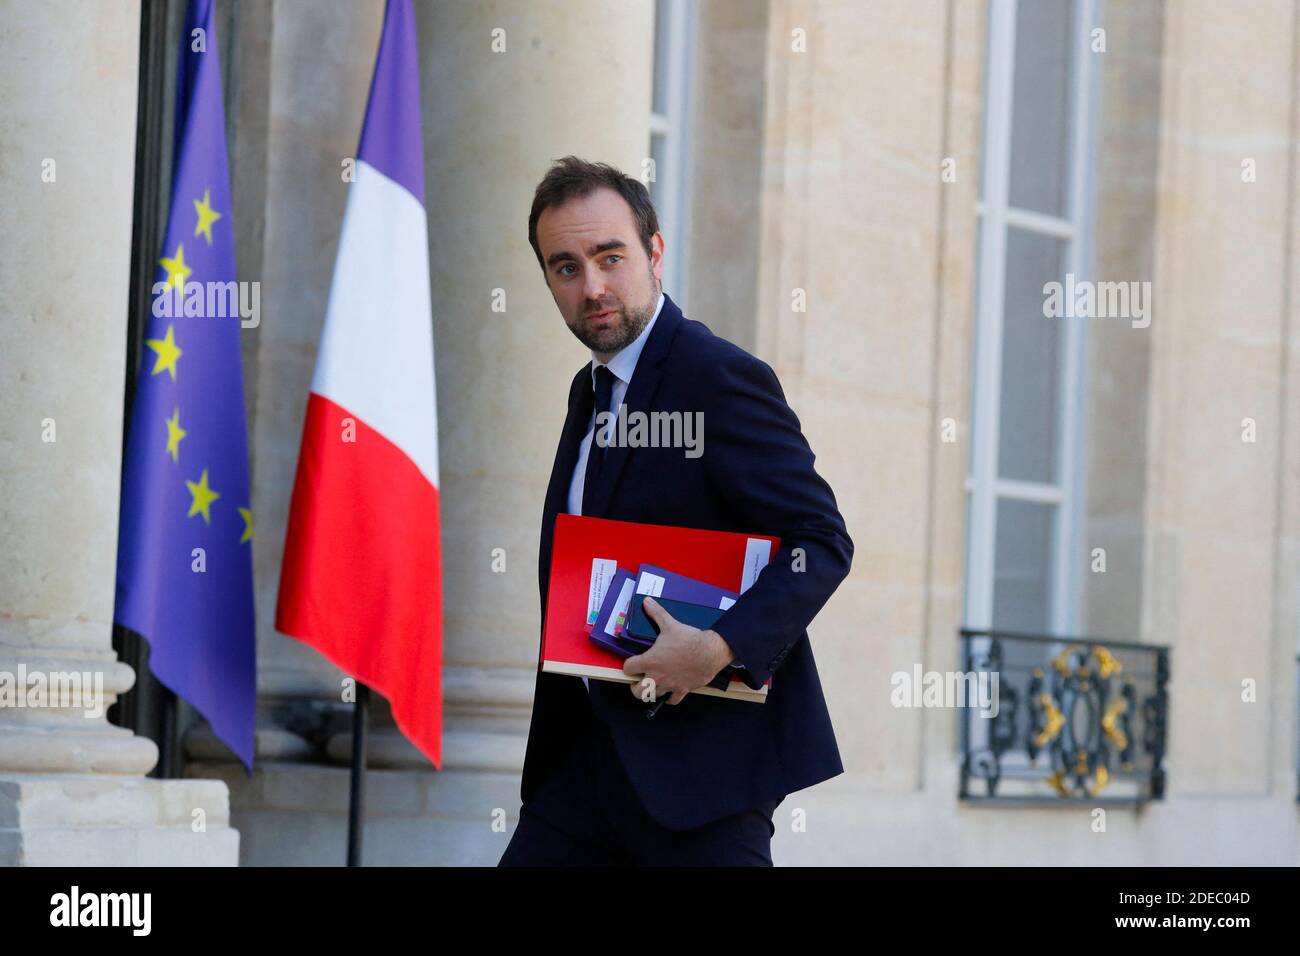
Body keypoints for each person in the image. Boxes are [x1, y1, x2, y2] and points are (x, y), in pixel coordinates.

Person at [498, 156, 853, 866]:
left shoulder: (717, 376)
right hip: (580, 772)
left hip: (701, 778)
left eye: (610, 257)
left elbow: (821, 542)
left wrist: (717, 648)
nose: (592, 286)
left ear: (656, 252)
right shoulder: (588, 391)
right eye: (565, 267)